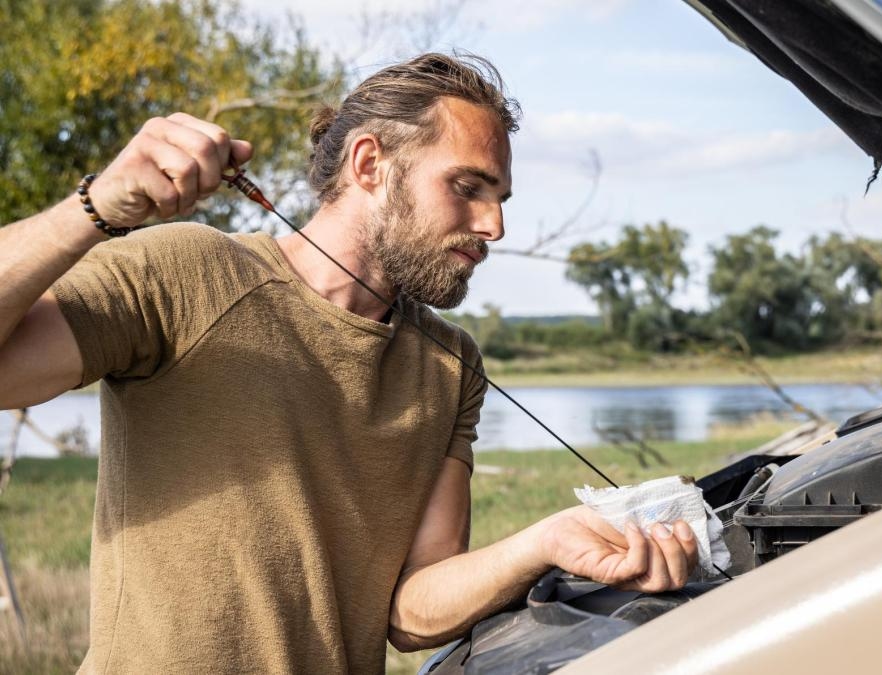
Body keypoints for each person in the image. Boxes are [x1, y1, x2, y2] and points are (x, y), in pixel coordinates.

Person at [0, 53, 698, 673]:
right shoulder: (186, 272)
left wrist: (548, 541)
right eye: (468, 187)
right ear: (369, 165)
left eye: (501, 198)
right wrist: (93, 209)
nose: (495, 227)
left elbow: (411, 611)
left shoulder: (452, 365)